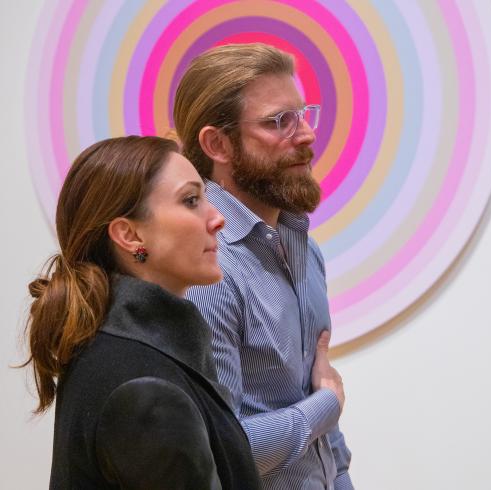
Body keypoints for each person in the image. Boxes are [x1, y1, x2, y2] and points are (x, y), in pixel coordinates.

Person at [22, 136, 261, 489]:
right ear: (130, 235)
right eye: (191, 200)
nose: (217, 219)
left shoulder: (120, 351)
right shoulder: (145, 390)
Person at [174, 43, 353, 489]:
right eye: (279, 122)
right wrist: (325, 404)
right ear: (217, 144)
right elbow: (221, 450)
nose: (307, 135)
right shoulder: (208, 268)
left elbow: (328, 446)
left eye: (304, 114)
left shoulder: (304, 249)